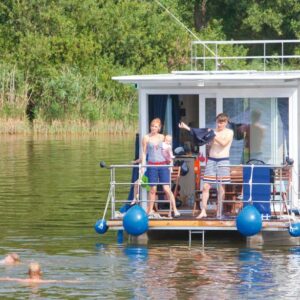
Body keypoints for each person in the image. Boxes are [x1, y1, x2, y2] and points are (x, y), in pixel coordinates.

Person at [179, 113, 233, 219]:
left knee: (221, 187)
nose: (219, 124)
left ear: (226, 122)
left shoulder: (229, 132)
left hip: (223, 161)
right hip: (212, 160)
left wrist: (213, 135)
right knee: (205, 187)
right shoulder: (213, 132)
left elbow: (223, 143)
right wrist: (186, 128)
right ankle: (203, 211)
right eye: (218, 122)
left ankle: (219, 211)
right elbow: (199, 134)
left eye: (222, 122)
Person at [142, 118, 180, 217]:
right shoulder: (146, 137)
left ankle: (175, 209)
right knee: (152, 189)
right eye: (152, 126)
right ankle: (150, 210)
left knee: (166, 188)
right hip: (151, 165)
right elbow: (144, 152)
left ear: (159, 128)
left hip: (163, 165)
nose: (153, 128)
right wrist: (142, 165)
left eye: (155, 126)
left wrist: (170, 160)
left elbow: (168, 149)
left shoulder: (162, 137)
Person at [0, 262, 78, 284]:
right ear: (41, 272)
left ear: (28, 272)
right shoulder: (45, 282)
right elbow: (64, 281)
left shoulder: (22, 280)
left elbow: (6, 279)